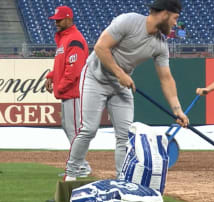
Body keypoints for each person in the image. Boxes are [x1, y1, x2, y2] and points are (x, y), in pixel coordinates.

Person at [63, 0, 189, 181]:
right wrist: (120, 73)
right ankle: (71, 175)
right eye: (175, 18)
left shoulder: (161, 44)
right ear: (164, 13)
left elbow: (166, 79)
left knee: (125, 136)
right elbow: (100, 47)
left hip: (120, 86)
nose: (175, 24)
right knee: (88, 129)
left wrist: (178, 111)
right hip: (94, 78)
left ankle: (122, 182)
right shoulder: (129, 21)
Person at [45, 6, 91, 177]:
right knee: (69, 128)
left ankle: (81, 167)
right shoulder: (64, 39)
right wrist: (51, 75)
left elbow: (74, 70)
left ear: (69, 19)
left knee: (74, 131)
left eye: (59, 19)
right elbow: (62, 63)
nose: (56, 22)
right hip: (68, 92)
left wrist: (60, 86)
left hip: (73, 92)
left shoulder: (74, 39)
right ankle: (80, 165)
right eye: (55, 20)